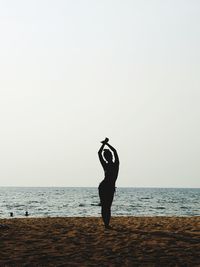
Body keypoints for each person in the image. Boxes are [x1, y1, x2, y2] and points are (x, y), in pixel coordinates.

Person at [98, 137, 119, 229]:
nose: (107, 157)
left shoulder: (115, 164)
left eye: (107, 156)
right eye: (106, 156)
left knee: (107, 206)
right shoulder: (107, 165)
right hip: (104, 187)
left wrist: (105, 143)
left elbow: (114, 151)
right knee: (105, 206)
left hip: (108, 187)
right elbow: (100, 153)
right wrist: (105, 144)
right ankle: (106, 224)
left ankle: (106, 224)